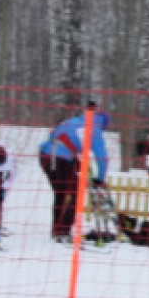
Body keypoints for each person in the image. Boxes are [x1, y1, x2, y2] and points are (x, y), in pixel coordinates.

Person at [38, 103, 110, 242]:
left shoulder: (71, 121)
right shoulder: (94, 130)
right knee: (73, 193)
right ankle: (62, 232)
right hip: (58, 159)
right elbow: (102, 159)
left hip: (46, 156)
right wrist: (99, 179)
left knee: (61, 193)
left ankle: (58, 230)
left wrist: (73, 160)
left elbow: (56, 136)